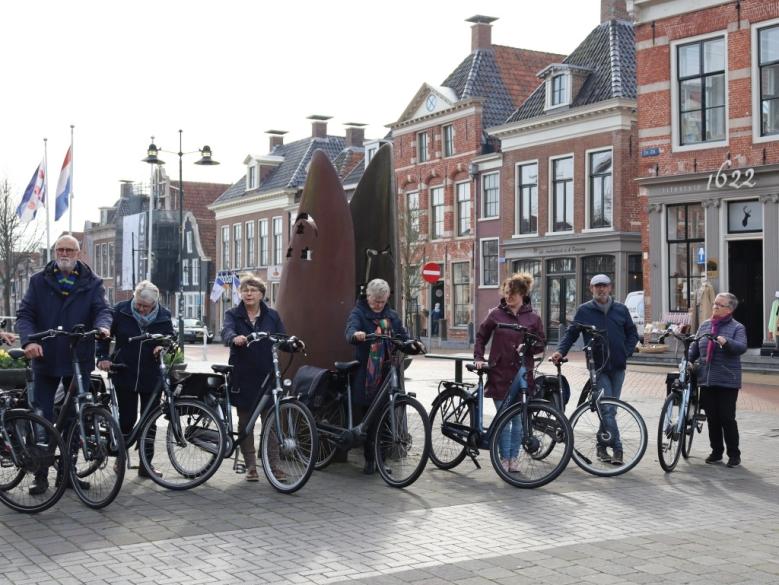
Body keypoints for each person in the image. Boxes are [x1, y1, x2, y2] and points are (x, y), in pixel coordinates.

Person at [15, 234, 112, 495]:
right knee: (42, 418)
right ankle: (40, 475)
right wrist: (28, 343)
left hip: (77, 358)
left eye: (70, 249)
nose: (64, 254)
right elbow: (25, 315)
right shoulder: (38, 282)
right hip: (45, 357)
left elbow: (102, 309)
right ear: (55, 253)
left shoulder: (92, 283)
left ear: (79, 254)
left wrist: (103, 327)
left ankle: (68, 474)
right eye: (60, 249)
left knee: (73, 419)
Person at [551, 274, 639, 465]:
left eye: (604, 286)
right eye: (597, 286)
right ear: (591, 289)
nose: (601, 289)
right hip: (597, 367)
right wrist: (559, 351)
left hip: (618, 366)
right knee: (607, 408)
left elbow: (632, 333)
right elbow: (571, 333)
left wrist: (626, 351)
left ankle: (601, 445)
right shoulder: (584, 310)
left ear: (610, 288)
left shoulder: (621, 309)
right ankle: (618, 449)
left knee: (611, 410)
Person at [96, 281, 173, 478]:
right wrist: (103, 357)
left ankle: (146, 465)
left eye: (145, 306)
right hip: (125, 371)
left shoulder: (163, 316)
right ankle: (120, 460)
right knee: (127, 419)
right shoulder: (121, 311)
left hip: (151, 375)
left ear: (154, 304)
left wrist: (161, 347)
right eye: (138, 304)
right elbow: (104, 336)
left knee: (150, 422)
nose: (140, 308)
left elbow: (169, 338)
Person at [221, 275, 294, 482]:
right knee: (246, 422)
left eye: (253, 290)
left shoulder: (272, 315)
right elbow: (226, 330)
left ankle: (274, 465)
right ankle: (251, 465)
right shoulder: (233, 314)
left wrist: (292, 344)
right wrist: (233, 338)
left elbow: (282, 337)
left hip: (267, 374)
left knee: (271, 421)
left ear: (262, 293)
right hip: (243, 374)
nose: (249, 294)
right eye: (245, 290)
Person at [345, 278, 419, 474]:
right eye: (375, 301)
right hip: (367, 374)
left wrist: (412, 343)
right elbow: (350, 330)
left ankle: (381, 459)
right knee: (371, 417)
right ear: (368, 296)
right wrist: (357, 334)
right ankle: (371, 461)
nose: (379, 305)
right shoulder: (359, 312)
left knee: (384, 417)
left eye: (382, 301)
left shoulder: (391, 315)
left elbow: (402, 336)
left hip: (387, 371)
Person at [473, 273, 545, 473]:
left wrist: (529, 345)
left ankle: (514, 458)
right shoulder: (495, 314)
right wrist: (479, 358)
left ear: (522, 293)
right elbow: (481, 336)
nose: (508, 298)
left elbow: (541, 344)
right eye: (506, 294)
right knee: (504, 419)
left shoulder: (533, 318)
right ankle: (504, 459)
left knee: (518, 421)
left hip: (522, 376)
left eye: (512, 294)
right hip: (499, 373)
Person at [689, 292, 747, 468]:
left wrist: (726, 342)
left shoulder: (737, 328)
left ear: (729, 309)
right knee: (713, 418)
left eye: (719, 305)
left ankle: (734, 454)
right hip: (706, 379)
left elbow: (741, 347)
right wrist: (688, 359)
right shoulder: (705, 325)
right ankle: (716, 452)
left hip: (727, 381)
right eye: (714, 304)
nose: (714, 307)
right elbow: (695, 347)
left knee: (727, 418)